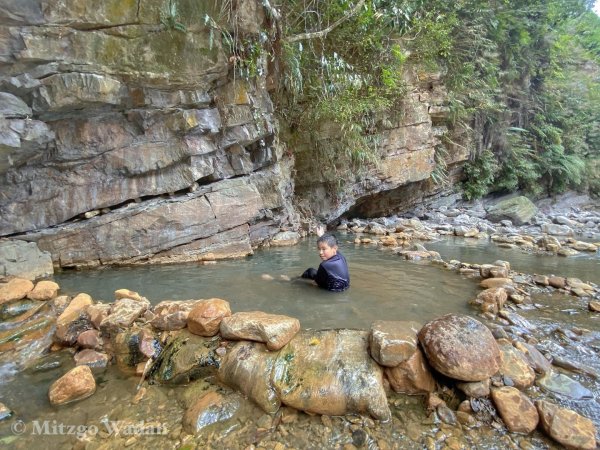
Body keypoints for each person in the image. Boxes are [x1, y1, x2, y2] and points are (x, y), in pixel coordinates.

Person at [301, 226, 350, 292]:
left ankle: (291, 280)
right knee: (311, 271)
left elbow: (315, 284)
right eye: (319, 249)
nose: (320, 252)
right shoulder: (340, 256)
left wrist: (300, 283)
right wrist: (322, 235)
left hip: (332, 292)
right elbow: (329, 243)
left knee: (304, 280)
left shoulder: (325, 265)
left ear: (334, 248)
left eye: (324, 249)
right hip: (345, 286)